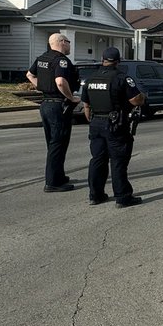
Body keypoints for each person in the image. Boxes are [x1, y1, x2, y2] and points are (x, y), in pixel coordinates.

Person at [80, 46, 146, 208]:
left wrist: (92, 120)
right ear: (118, 61)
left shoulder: (91, 79)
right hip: (115, 124)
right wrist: (143, 96)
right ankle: (123, 197)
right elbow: (136, 100)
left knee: (97, 160)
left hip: (96, 124)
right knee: (118, 161)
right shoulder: (122, 78)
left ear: (103, 59)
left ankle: (95, 195)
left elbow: (86, 105)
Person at [26, 32, 81, 192]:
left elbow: (29, 74)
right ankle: (52, 183)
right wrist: (72, 98)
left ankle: (58, 176)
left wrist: (42, 86)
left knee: (53, 143)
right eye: (69, 42)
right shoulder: (61, 61)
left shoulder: (42, 58)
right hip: (58, 106)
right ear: (62, 42)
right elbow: (60, 81)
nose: (70, 45)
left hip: (45, 104)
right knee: (58, 143)